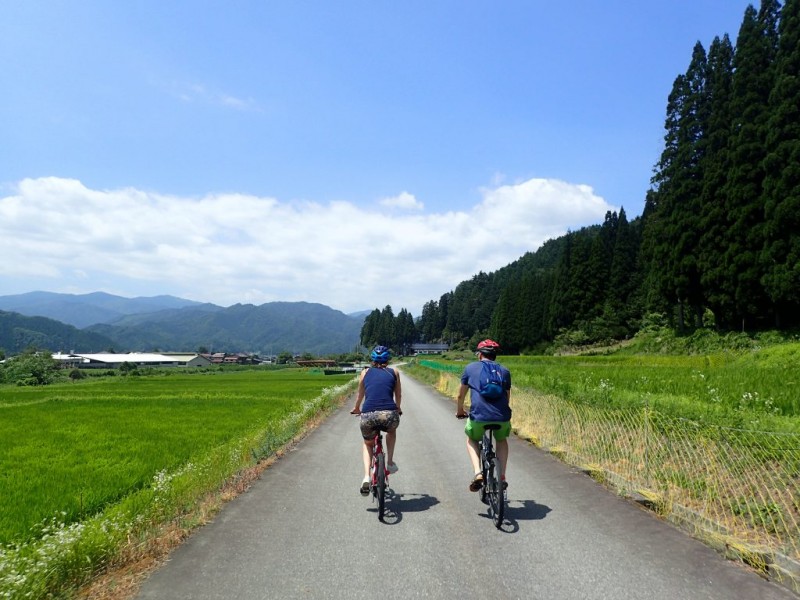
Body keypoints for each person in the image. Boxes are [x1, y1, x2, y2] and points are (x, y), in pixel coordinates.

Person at [456, 339, 512, 492]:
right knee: (501, 440)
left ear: (480, 355)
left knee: (472, 439)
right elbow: (507, 397)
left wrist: (460, 411)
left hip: (479, 416)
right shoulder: (505, 371)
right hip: (502, 417)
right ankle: (502, 477)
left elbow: (461, 395)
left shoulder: (470, 368)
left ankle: (478, 472)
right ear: (495, 356)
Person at [351, 345, 402, 495]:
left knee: (368, 443)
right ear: (388, 359)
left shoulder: (365, 372)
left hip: (368, 415)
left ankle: (366, 476)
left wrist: (356, 408)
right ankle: (390, 463)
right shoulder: (395, 372)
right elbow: (398, 396)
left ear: (372, 359)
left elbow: (360, 395)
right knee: (391, 432)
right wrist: (398, 409)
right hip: (389, 415)